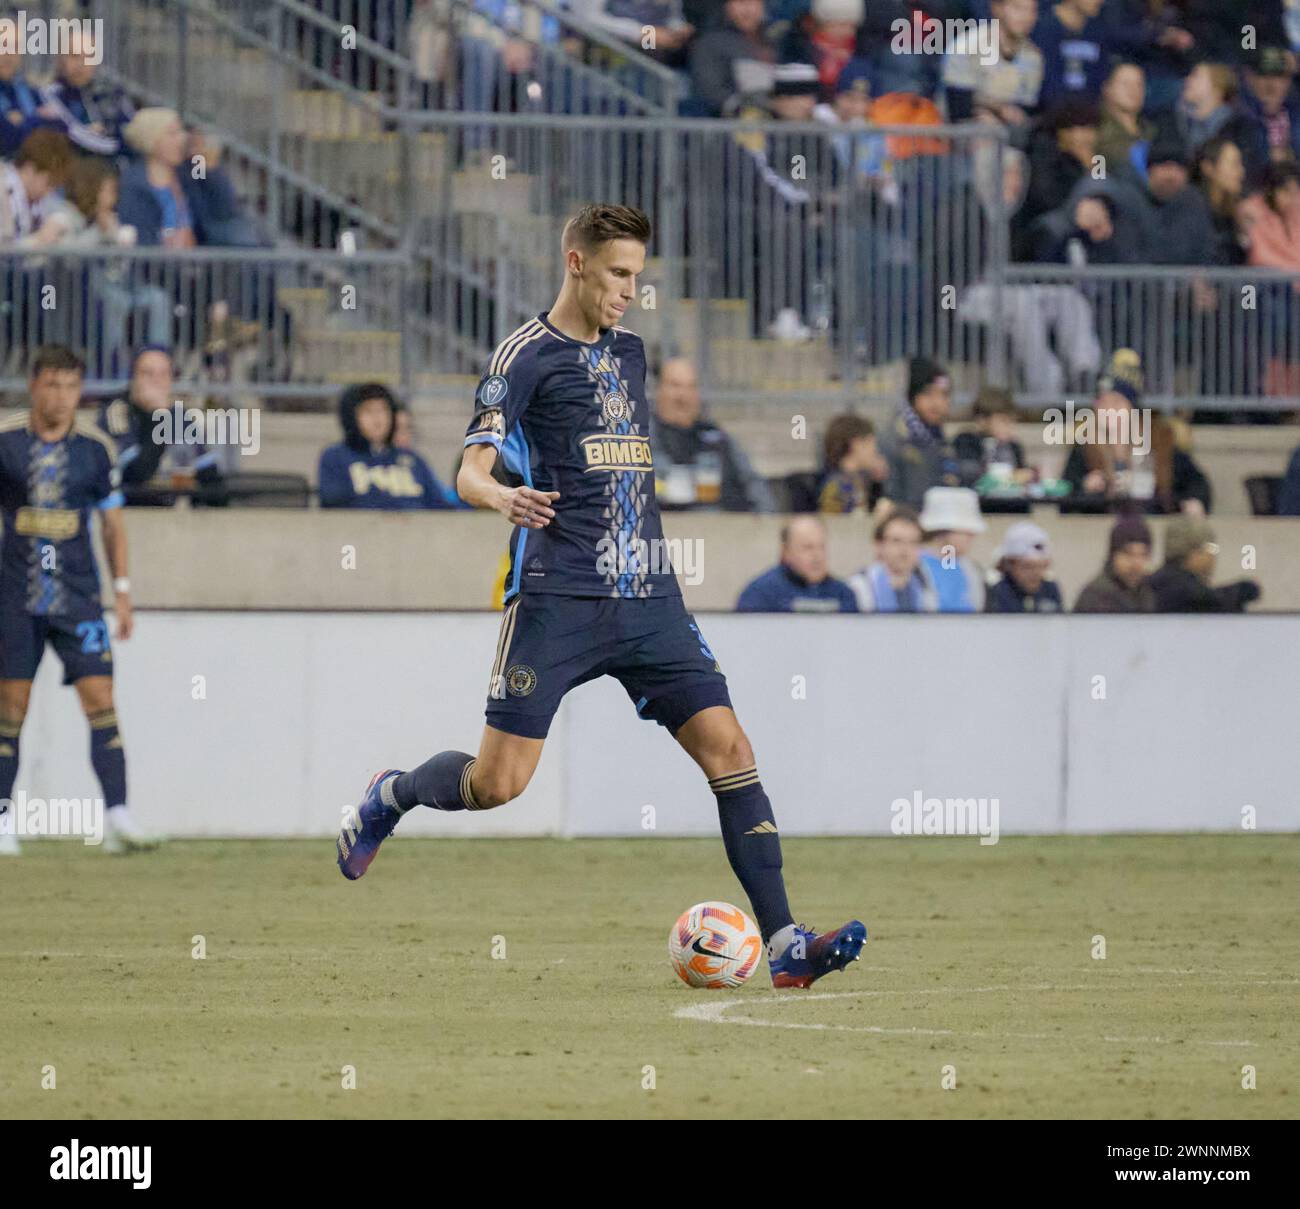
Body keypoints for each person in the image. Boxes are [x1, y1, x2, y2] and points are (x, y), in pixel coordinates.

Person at [334, 203, 867, 989]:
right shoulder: (523, 355)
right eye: (618, 274)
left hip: (649, 593)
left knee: (731, 749)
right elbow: (468, 469)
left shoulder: (633, 354)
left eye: (638, 278)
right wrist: (502, 499)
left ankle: (786, 941)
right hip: (559, 595)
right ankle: (391, 794)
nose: (629, 292)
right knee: (498, 784)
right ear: (574, 260)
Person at [0, 346, 155, 857]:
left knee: (101, 699)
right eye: (52, 385)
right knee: (11, 707)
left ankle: (119, 817)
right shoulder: (5, 442)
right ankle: (2, 821)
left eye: (71, 387)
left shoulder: (96, 448)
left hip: (80, 599)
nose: (62, 397)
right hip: (15, 599)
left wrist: (124, 593)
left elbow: (113, 524)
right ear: (34, 386)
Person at [97, 347, 228, 506]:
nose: (156, 381)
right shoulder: (117, 411)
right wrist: (159, 418)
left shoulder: (178, 415)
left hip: (169, 511)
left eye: (163, 374)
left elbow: (209, 475)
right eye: (148, 374)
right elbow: (136, 475)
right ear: (134, 378)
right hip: (130, 511)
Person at [650, 357, 774, 512]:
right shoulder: (640, 437)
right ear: (659, 390)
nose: (683, 395)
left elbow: (752, 483)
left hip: (726, 527)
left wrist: (765, 521)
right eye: (675, 386)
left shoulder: (717, 436)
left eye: (691, 387)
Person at [318, 383, 458, 509]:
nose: (377, 419)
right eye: (368, 411)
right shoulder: (335, 457)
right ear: (351, 416)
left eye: (383, 410)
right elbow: (333, 503)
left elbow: (440, 506)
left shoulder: (412, 460)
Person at [876, 357, 960, 508]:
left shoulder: (939, 438)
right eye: (928, 394)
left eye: (944, 395)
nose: (937, 403)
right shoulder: (894, 439)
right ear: (912, 396)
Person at [735, 515, 859, 612]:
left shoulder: (842, 594)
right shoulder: (760, 594)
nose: (817, 556)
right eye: (807, 548)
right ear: (786, 552)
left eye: (822, 547)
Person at [1148, 516, 1261, 612]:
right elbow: (1210, 600)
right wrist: (1243, 590)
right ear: (1192, 552)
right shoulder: (1179, 586)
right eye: (1210, 549)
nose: (1212, 557)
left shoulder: (1162, 580)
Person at [847, 506, 938, 612]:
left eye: (913, 543)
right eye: (896, 541)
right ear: (879, 545)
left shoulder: (926, 588)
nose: (905, 550)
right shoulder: (859, 587)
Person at [917, 487, 987, 612]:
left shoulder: (969, 568)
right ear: (944, 531)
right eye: (966, 531)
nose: (972, 536)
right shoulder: (916, 566)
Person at [1073, 513, 1156, 612]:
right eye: (1128, 554)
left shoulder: (1145, 592)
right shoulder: (1097, 596)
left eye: (1143, 555)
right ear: (1113, 555)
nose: (1136, 563)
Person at [953, 386, 1031, 488]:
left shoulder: (1014, 447)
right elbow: (968, 473)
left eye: (1012, 421)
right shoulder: (967, 441)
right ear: (982, 420)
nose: (1009, 427)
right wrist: (1008, 476)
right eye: (1003, 421)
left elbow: (1022, 474)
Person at [817, 413, 886, 514]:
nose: (875, 449)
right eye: (870, 443)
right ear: (856, 445)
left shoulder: (861, 480)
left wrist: (878, 483)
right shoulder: (835, 487)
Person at [986, 521, 1063, 611]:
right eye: (1028, 567)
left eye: (1042, 566)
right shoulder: (996, 594)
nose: (1036, 573)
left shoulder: (1050, 590)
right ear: (1009, 565)